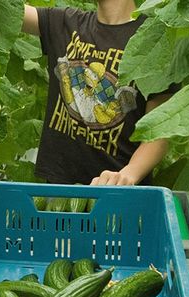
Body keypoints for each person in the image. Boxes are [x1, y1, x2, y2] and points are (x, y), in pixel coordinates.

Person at [22, 1, 177, 186]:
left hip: (119, 192)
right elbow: (10, 10)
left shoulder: (154, 39)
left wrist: (129, 173)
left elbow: (159, 129)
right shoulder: (65, 22)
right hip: (60, 190)